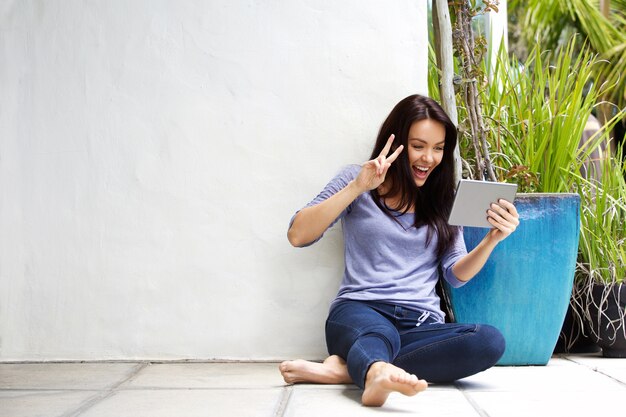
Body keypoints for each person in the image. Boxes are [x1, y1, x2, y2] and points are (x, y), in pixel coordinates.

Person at [279, 94, 520, 407]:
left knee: (489, 340)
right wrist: (357, 188)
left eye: (438, 148)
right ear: (394, 143)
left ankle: (350, 368)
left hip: (421, 324)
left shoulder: (444, 200)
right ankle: (376, 372)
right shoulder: (356, 179)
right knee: (379, 333)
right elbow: (298, 235)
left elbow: (455, 275)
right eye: (418, 146)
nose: (428, 158)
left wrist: (492, 239)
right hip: (360, 311)